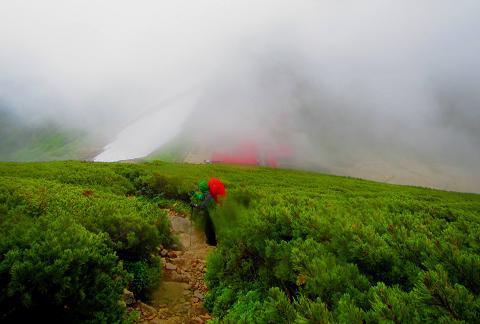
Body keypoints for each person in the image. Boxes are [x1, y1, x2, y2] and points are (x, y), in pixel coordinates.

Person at [191, 179, 217, 246]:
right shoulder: (207, 194)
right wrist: (195, 194)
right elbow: (201, 197)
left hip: (210, 214)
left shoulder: (208, 196)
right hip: (209, 213)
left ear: (202, 188)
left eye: (200, 188)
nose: (200, 189)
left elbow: (203, 206)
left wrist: (194, 205)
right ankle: (211, 242)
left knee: (209, 229)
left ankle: (212, 243)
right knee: (208, 228)